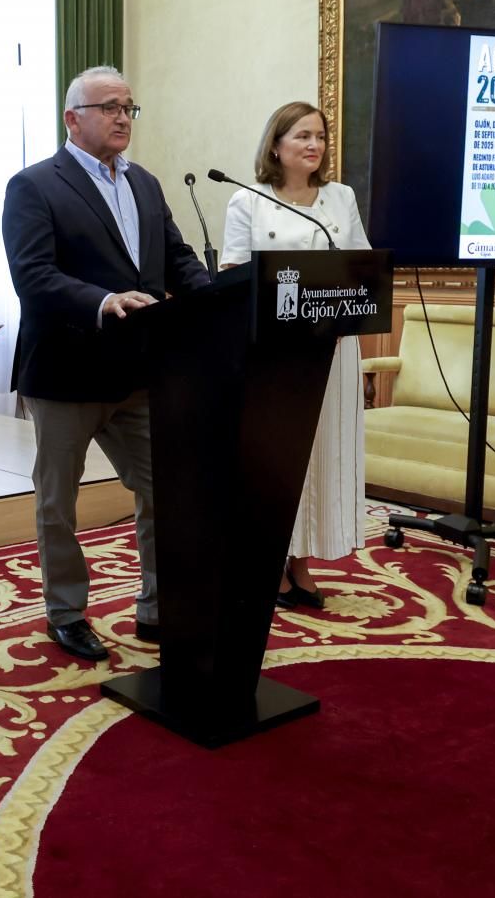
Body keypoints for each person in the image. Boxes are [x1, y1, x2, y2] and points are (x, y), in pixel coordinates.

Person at [1, 66, 214, 662]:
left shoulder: (144, 182)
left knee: (166, 489)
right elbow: (33, 276)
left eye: (129, 107)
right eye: (110, 107)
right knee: (58, 502)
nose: (123, 117)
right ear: (73, 118)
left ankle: (157, 606)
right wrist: (102, 301)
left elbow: (176, 258)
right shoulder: (35, 185)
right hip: (67, 373)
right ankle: (66, 613)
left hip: (140, 374)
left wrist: (214, 301)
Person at [220, 102, 370, 609]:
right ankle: (269, 557)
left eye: (321, 136)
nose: (315, 145)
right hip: (274, 354)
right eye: (303, 135)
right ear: (276, 145)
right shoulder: (248, 200)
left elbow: (360, 264)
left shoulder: (340, 197)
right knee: (278, 457)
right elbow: (233, 271)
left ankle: (301, 559)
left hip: (331, 347)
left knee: (319, 453)